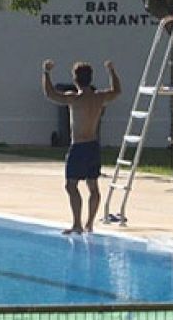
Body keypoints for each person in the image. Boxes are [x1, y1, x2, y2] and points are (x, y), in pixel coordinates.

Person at [42, 58, 121, 234]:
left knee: (71, 186)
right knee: (93, 186)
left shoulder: (74, 99)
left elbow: (50, 94)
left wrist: (46, 73)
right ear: (90, 79)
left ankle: (78, 224)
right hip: (93, 146)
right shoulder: (99, 98)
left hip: (78, 147)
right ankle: (89, 224)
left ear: (75, 80)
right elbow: (117, 91)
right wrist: (111, 71)